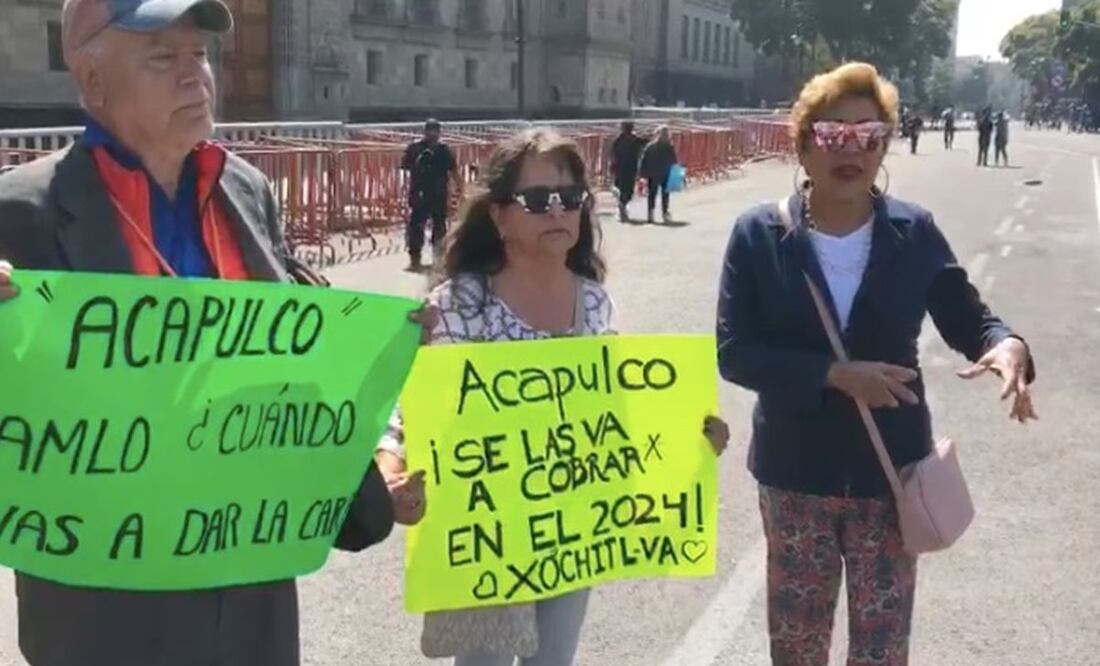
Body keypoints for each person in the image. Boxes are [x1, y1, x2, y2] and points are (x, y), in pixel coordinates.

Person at [0, 1, 402, 664]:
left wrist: (364, 467)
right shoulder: (20, 212)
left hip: (249, 598)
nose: (196, 76)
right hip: (106, 613)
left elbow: (288, 366)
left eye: (201, 55)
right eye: (163, 57)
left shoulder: (245, 189)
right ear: (93, 81)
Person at [716, 62, 1037, 666]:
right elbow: (736, 352)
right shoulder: (758, 235)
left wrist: (1005, 345)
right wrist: (833, 374)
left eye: (870, 136)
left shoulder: (912, 233)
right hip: (795, 475)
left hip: (889, 475)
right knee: (797, 644)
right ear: (804, 144)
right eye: (835, 134)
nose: (852, 150)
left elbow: (970, 319)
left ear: (886, 145)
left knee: (883, 647)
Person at [376, 128, 729, 666]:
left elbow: (618, 411)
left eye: (572, 199)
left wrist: (691, 437)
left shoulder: (592, 303)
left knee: (553, 661)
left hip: (572, 530)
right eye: (538, 201)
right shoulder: (460, 304)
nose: (559, 212)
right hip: (487, 535)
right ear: (499, 216)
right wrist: (389, 469)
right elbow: (411, 410)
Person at [402, 119, 458, 271]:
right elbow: (406, 168)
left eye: (435, 131)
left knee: (439, 226)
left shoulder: (444, 150)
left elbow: (453, 170)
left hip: (438, 193)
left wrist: (459, 189)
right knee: (416, 226)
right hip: (419, 192)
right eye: (430, 131)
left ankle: (438, 257)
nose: (432, 134)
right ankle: (415, 256)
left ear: (439, 133)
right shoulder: (415, 148)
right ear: (425, 132)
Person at [639, 126, 678, 224]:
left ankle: (651, 214)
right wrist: (676, 173)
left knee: (652, 194)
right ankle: (665, 214)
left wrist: (643, 174)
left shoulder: (650, 146)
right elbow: (674, 161)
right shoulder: (669, 146)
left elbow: (644, 160)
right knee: (665, 194)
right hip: (665, 173)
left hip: (653, 173)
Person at [609, 121, 646, 223]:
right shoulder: (634, 139)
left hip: (620, 169)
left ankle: (622, 207)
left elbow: (612, 155)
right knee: (628, 190)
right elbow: (646, 141)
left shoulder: (618, 140)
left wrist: (611, 166)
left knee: (622, 189)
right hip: (629, 169)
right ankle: (622, 207)